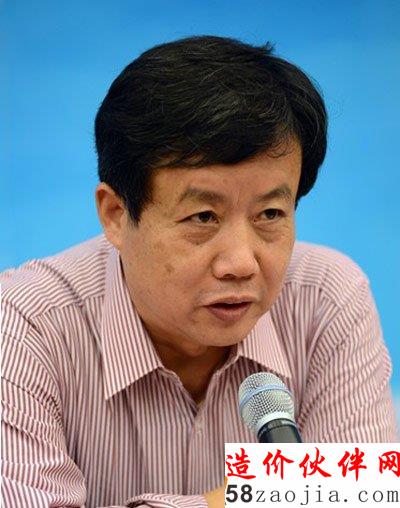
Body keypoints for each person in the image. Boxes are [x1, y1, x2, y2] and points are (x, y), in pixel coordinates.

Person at [1, 35, 398, 508]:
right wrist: (253, 496)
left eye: (270, 214)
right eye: (203, 217)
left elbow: (361, 498)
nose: (241, 263)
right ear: (116, 215)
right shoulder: (24, 321)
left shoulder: (326, 298)